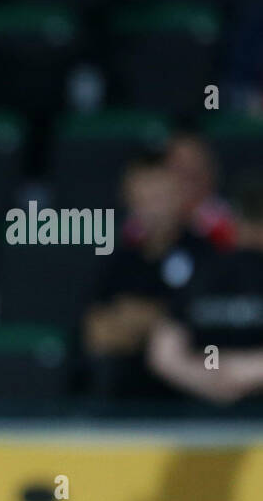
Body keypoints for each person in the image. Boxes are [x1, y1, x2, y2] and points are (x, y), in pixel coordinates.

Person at [82, 154, 208, 400]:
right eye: (144, 200)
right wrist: (165, 322)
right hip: (125, 398)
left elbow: (207, 328)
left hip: (194, 398)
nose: (152, 209)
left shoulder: (207, 255)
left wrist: (140, 319)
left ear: (180, 195)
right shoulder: (118, 260)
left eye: (159, 198)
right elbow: (96, 334)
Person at [147, 179, 263, 405]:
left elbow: (166, 356)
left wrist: (219, 374)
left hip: (206, 410)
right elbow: (163, 354)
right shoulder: (205, 272)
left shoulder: (202, 270)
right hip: (201, 422)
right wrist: (229, 375)